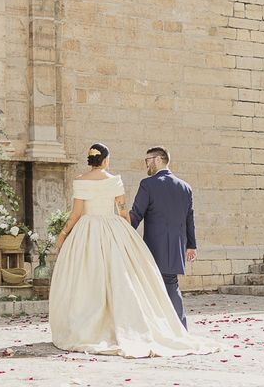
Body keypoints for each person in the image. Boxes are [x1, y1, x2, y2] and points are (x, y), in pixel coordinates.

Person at [49, 143, 222, 358]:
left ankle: (90, 325)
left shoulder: (84, 181)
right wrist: (125, 233)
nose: (146, 164)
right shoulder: (120, 181)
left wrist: (63, 234)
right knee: (147, 283)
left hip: (94, 232)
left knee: (89, 278)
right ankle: (175, 328)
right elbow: (124, 212)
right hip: (130, 234)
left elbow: (78, 215)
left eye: (149, 160)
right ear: (105, 160)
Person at [130, 146, 194, 329]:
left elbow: (136, 215)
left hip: (154, 247)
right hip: (176, 247)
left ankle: (157, 328)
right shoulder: (185, 187)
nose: (146, 164)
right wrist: (191, 245)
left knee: (151, 285)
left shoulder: (148, 184)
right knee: (171, 284)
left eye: (147, 160)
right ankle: (180, 328)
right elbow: (190, 219)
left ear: (158, 159)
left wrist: (122, 232)